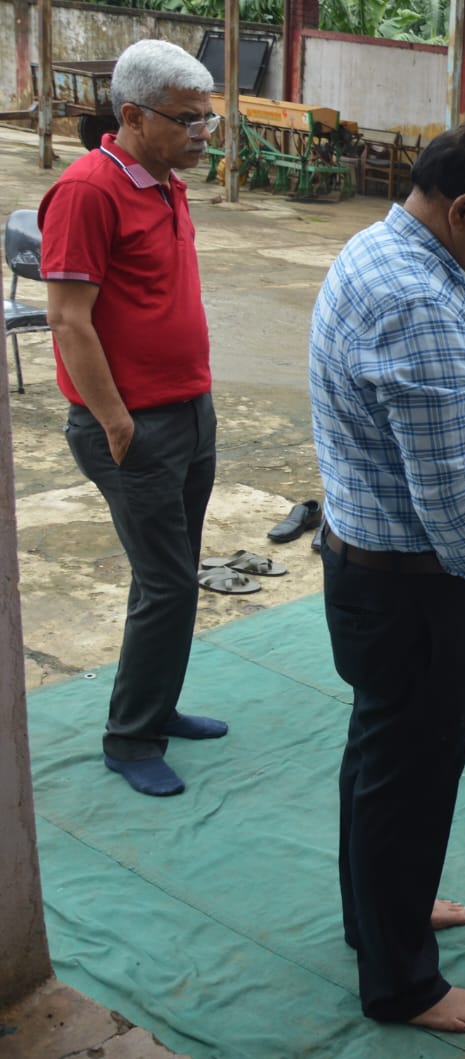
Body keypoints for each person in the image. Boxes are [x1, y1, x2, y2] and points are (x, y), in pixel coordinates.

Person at [308, 118, 465, 1033]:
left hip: (385, 569)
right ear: (462, 209)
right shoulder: (414, 297)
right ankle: (402, 982)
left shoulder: (389, 253)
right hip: (421, 583)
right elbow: (452, 502)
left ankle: (382, 913)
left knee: (383, 762)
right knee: (409, 775)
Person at [39, 40, 225, 797]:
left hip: (189, 409)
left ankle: (159, 701)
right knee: (168, 581)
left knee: (175, 576)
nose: (200, 136)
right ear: (132, 115)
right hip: (134, 424)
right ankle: (130, 735)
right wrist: (115, 421)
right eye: (187, 121)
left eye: (208, 121)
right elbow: (67, 321)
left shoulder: (165, 182)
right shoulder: (88, 191)